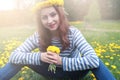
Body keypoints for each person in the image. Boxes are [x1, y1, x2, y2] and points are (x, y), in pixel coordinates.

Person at [0, 0, 116, 80]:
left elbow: (93, 60)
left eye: (53, 15)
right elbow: (14, 56)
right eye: (44, 17)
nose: (50, 21)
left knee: (96, 61)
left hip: (74, 73)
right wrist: (39, 57)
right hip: (50, 71)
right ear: (40, 20)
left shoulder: (73, 33)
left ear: (60, 14)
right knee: (18, 59)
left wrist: (61, 61)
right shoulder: (38, 36)